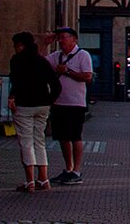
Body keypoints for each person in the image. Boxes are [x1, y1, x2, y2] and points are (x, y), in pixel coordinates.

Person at [8, 32, 60, 192]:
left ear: (20, 45)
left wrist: (12, 97)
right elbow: (56, 85)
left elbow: (16, 81)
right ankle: (43, 178)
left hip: (24, 105)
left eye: (16, 45)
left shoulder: (17, 60)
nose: (15, 48)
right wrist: (50, 101)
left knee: (26, 142)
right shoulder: (42, 61)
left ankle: (29, 180)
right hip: (43, 105)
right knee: (39, 140)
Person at [46, 27, 93, 185]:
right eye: (59, 38)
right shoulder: (56, 56)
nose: (61, 41)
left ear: (74, 39)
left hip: (75, 103)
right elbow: (40, 62)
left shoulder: (82, 55)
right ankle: (68, 168)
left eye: (64, 37)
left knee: (75, 136)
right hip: (59, 102)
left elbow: (87, 77)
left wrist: (67, 71)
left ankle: (76, 171)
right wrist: (45, 43)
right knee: (62, 137)